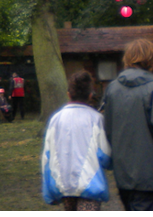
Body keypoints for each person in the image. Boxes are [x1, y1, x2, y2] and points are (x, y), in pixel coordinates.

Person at [101, 39, 153, 211]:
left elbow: (107, 129)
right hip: (148, 172)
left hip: (123, 173)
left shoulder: (112, 88)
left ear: (128, 58)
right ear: (152, 59)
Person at [43, 71, 113, 211]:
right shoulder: (96, 119)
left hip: (64, 183)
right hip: (90, 183)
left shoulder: (56, 119)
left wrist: (49, 190)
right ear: (90, 95)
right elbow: (105, 154)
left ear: (68, 93)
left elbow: (47, 156)